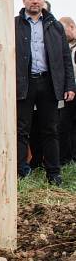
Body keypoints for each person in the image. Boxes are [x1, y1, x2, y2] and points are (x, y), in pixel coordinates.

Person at [15, 0, 75, 185]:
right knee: (21, 128)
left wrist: (70, 85)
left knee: (50, 129)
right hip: (23, 82)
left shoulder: (54, 25)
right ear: (24, 0)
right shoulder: (14, 24)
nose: (35, 1)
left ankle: (54, 173)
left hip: (48, 82)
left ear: (43, 0)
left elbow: (66, 58)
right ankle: (20, 171)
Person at [58, 16, 76, 165]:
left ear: (72, 27)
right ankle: (67, 158)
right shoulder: (63, 48)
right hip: (68, 93)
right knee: (65, 125)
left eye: (64, 31)